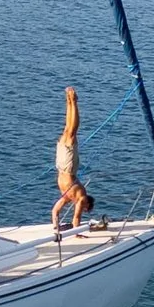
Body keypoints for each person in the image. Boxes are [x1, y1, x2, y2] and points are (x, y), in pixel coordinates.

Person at [52, 86, 94, 234]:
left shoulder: (69, 197)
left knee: (69, 131)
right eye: (85, 208)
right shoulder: (81, 197)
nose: (82, 208)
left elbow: (55, 210)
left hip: (66, 168)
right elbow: (75, 218)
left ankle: (70, 100)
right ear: (87, 203)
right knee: (70, 131)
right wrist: (77, 234)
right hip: (64, 167)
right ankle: (72, 100)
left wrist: (56, 228)